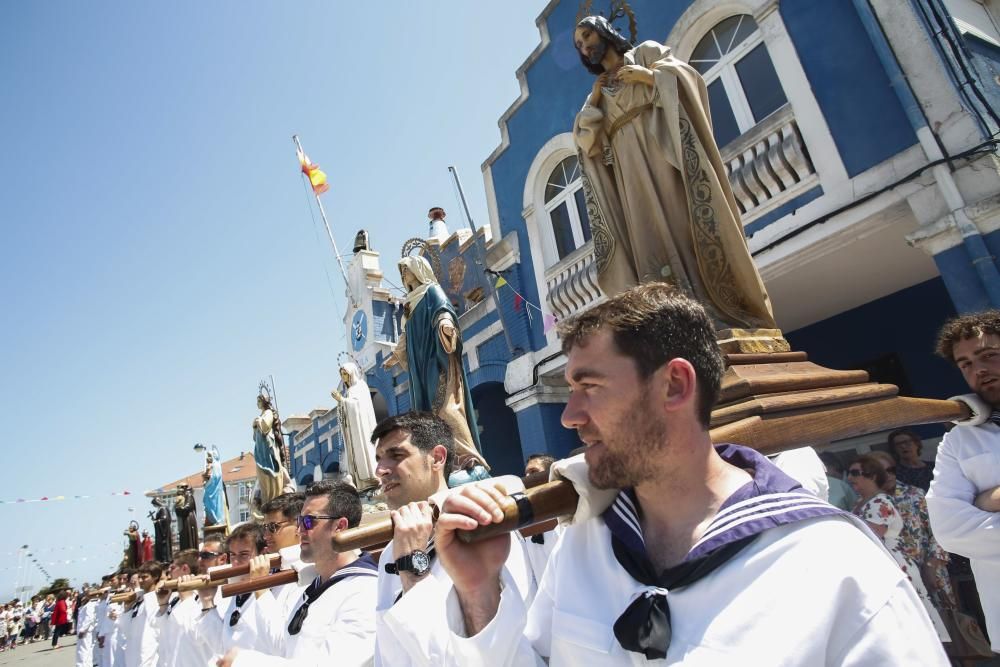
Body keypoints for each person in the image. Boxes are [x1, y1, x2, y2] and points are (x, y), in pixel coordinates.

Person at [431, 283, 947, 664]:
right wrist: (479, 593)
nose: (570, 416)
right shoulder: (583, 547)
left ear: (675, 385)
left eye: (590, 386)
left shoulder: (835, 564)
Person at [572, 14, 774, 329]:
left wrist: (646, 77)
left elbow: (687, 80)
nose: (585, 47)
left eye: (587, 36)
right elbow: (587, 144)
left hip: (664, 156)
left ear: (604, 32)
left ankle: (711, 307)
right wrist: (596, 100)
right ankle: (672, 324)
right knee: (648, 245)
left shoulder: (647, 55)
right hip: (631, 177)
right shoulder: (595, 94)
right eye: (579, 45)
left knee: (686, 225)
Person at [368, 412, 533, 666]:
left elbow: (495, 652)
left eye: (396, 455)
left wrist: (412, 567)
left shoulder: (484, 530)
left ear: (437, 458)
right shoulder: (393, 551)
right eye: (379, 459)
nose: (380, 470)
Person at [218, 481, 378, 667]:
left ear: (340, 526)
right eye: (300, 521)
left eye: (309, 521)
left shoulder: (364, 591)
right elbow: (284, 646)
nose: (300, 529)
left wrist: (244, 662)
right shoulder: (317, 586)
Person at [928, 311, 1000, 653]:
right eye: (966, 364)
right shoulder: (958, 442)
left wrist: (988, 501)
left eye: (988, 356)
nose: (978, 370)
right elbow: (949, 529)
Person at [387, 256, 488, 472]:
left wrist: (445, 324)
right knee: (426, 417)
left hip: (436, 359)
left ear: (418, 269)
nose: (404, 275)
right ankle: (443, 461)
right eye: (401, 272)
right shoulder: (410, 303)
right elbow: (407, 334)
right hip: (419, 365)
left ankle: (468, 456)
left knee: (446, 408)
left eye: (406, 269)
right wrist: (397, 355)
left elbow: (443, 311)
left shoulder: (431, 290)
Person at [848, 455, 948, 641]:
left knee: (914, 621)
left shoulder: (880, 501)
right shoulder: (859, 504)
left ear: (872, 475)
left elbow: (875, 530)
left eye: (855, 473)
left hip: (895, 564)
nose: (850, 478)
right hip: (884, 564)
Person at [868, 450, 955, 610]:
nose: (887, 475)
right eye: (880, 472)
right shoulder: (866, 505)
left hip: (930, 572)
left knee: (950, 624)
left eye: (890, 470)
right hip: (897, 580)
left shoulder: (915, 494)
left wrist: (931, 566)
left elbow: (938, 531)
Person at [332, 362, 380, 492]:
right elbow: (347, 409)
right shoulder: (348, 390)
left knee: (364, 454)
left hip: (361, 430)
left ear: (351, 373)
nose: (343, 377)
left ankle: (370, 479)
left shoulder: (360, 386)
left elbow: (358, 406)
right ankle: (360, 485)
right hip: (352, 431)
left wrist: (341, 400)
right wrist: (341, 402)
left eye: (345, 374)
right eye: (342, 374)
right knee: (354, 457)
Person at [252, 391, 295, 515]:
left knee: (270, 474)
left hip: (268, 449)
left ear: (264, 401)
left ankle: (271, 502)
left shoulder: (268, 413)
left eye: (259, 401)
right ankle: (266, 501)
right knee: (263, 476)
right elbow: (255, 436)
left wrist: (258, 421)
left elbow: (265, 427)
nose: (257, 403)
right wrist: (254, 425)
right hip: (261, 450)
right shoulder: (262, 414)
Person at [123, 560, 163, 667]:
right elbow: (126, 630)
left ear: (155, 577)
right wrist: (127, 609)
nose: (140, 580)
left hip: (149, 659)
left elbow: (153, 631)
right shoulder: (138, 600)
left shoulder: (158, 599)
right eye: (139, 577)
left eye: (144, 577)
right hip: (133, 655)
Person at [203, 449, 228, 527]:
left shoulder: (213, 466)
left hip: (213, 490)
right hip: (212, 490)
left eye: (210, 456)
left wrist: (207, 474)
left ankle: (215, 519)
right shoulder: (217, 466)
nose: (208, 458)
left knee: (213, 505)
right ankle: (216, 519)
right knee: (212, 505)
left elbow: (210, 476)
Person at [75, 590, 98, 667]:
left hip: (86, 632)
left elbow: (89, 619)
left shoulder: (89, 605)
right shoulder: (83, 606)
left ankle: (85, 664)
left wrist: (82, 630)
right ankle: (82, 664)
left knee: (85, 650)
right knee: (81, 650)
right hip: (82, 631)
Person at [174, 485, 199, 551]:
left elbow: (187, 507)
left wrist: (178, 509)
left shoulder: (188, 495)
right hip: (185, 518)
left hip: (188, 518)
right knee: (184, 536)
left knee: (188, 536)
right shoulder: (184, 496)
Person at [151, 498, 173, 563]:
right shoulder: (160, 509)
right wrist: (155, 520)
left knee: (164, 545)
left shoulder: (163, 508)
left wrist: (157, 521)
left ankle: (165, 559)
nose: (154, 506)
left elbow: (165, 519)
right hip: (160, 531)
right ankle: (161, 559)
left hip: (163, 531)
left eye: (154, 504)